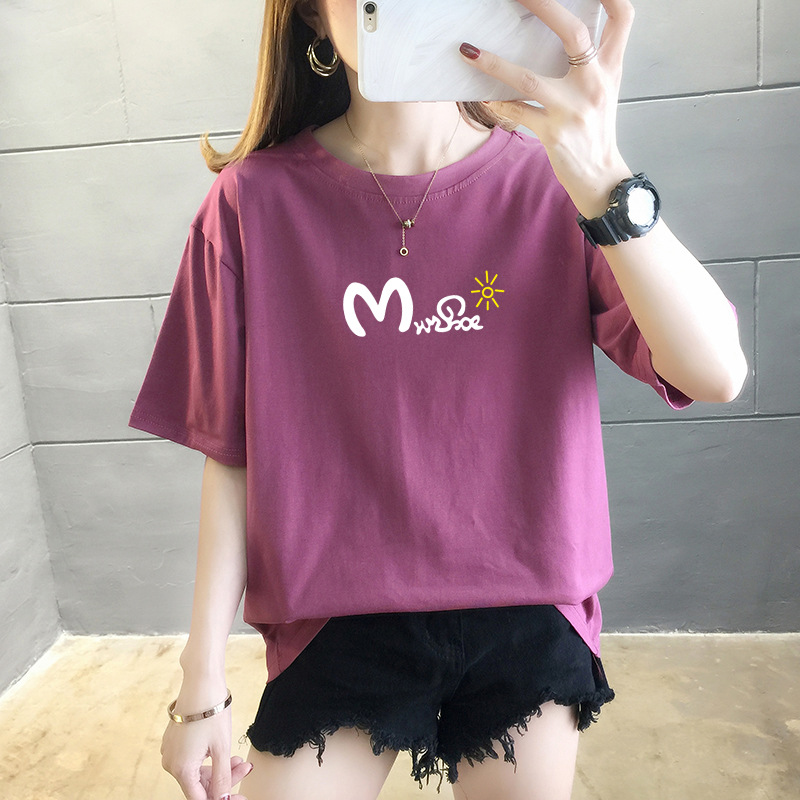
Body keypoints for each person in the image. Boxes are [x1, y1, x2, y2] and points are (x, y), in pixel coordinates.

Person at [128, 1, 748, 798]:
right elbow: (231, 455)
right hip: (335, 619)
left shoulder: (557, 182)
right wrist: (200, 681)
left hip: (527, 608)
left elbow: (716, 373)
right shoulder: (252, 203)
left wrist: (602, 171)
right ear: (313, 16)